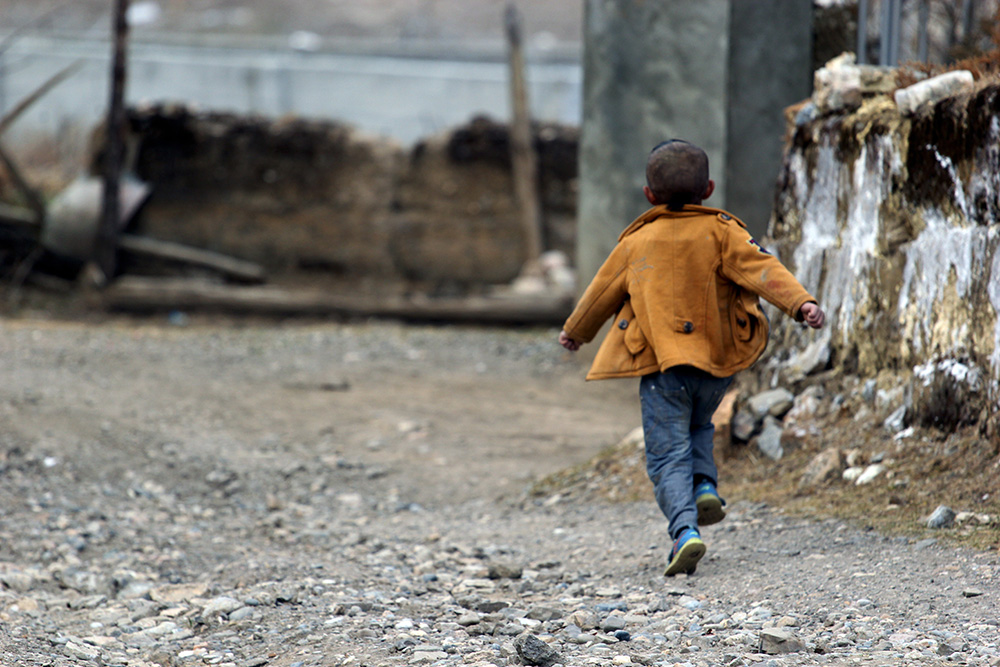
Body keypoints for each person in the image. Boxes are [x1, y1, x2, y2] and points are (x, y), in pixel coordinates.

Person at [559, 139, 825, 576]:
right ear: (710, 188)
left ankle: (685, 531)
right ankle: (705, 486)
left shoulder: (636, 240)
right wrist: (801, 304)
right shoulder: (723, 231)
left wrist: (575, 333)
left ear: (648, 194)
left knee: (667, 454)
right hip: (715, 368)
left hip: (665, 369)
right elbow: (764, 269)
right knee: (700, 424)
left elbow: (599, 296)